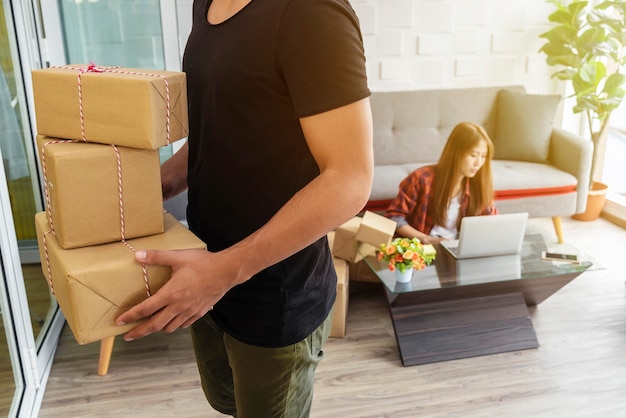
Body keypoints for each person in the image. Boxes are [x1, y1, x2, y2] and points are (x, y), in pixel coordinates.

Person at [115, 0, 372, 417]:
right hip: (202, 273)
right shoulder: (207, 3)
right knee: (225, 401)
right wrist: (154, 188)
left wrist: (221, 273)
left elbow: (350, 180)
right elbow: (214, 125)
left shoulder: (312, 13)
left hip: (273, 295)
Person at [385, 121, 498, 245]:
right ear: (456, 152)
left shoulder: (478, 185)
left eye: (483, 156)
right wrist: (426, 239)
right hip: (425, 250)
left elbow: (491, 222)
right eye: (473, 155)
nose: (479, 163)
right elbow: (394, 217)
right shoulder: (420, 179)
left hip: (460, 248)